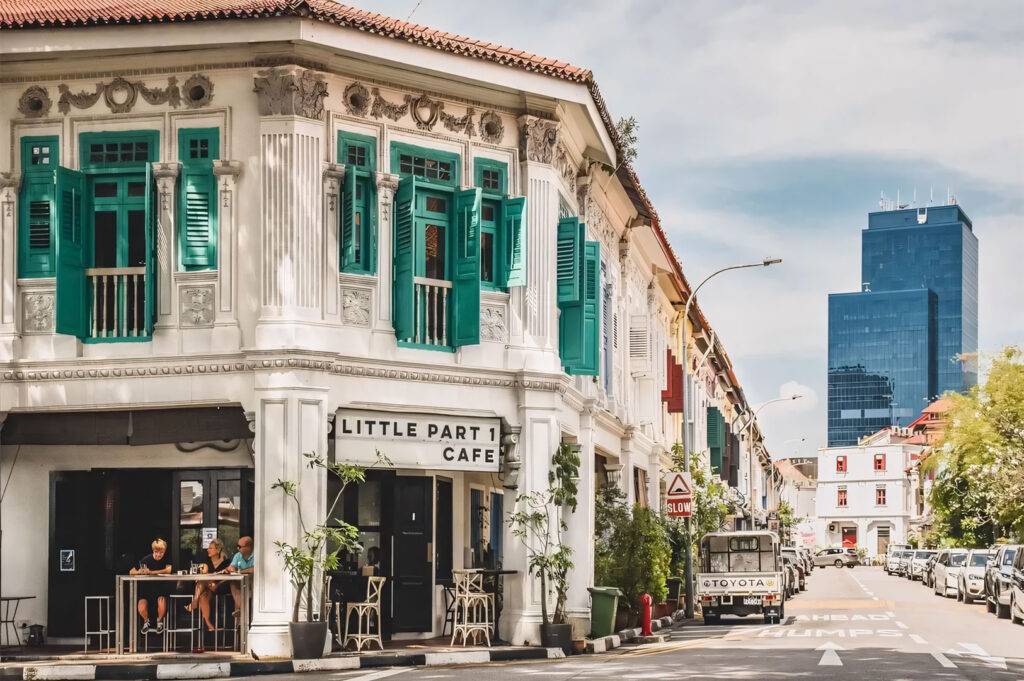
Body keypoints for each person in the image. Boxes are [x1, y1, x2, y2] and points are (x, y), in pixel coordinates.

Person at [185, 537, 232, 631]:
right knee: (203, 596)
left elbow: (229, 577)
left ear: (218, 550)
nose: (208, 550)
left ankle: (194, 603)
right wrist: (202, 569)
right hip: (207, 587)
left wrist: (216, 583)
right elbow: (202, 570)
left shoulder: (226, 562)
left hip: (220, 587)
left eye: (211, 548)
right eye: (208, 548)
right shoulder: (206, 560)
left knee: (202, 581)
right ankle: (208, 624)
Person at [130, 538, 173, 634]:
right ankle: (146, 621)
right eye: (156, 552)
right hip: (146, 591)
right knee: (141, 606)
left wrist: (151, 572)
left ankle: (159, 621)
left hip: (161, 590)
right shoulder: (146, 559)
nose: (158, 554)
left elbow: (168, 570)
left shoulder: (167, 558)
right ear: (153, 551)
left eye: (161, 552)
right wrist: (139, 572)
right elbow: (131, 571)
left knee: (161, 602)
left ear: (164, 551)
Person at [225, 536, 254, 617]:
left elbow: (255, 569)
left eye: (240, 547)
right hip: (241, 584)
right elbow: (232, 566)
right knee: (233, 583)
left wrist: (240, 571)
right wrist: (231, 568)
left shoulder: (256, 555)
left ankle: (243, 612)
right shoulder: (238, 555)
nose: (238, 548)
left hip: (254, 585)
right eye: (237, 546)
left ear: (249, 547)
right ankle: (242, 610)